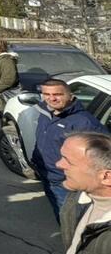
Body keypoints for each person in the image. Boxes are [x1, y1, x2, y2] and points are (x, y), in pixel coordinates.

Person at [31, 79, 108, 222]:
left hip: (67, 183)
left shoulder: (84, 123)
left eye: (58, 94)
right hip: (47, 176)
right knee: (61, 217)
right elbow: (43, 139)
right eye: (46, 94)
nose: (51, 98)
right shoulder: (46, 112)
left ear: (70, 95)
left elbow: (102, 157)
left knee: (72, 222)